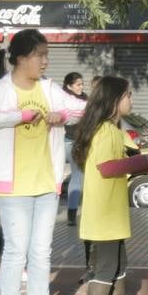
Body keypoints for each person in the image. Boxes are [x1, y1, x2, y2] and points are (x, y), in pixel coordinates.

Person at [0, 29, 86, 295]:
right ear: (21, 58)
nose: (45, 61)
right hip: (13, 187)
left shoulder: (49, 88)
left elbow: (81, 110)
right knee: (16, 252)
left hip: (47, 183)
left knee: (41, 253)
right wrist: (18, 116)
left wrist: (61, 115)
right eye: (40, 55)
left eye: (46, 54)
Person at [72, 76, 148, 295]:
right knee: (106, 268)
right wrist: (143, 161)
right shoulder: (105, 131)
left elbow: (115, 165)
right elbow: (107, 167)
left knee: (119, 266)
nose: (132, 100)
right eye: (129, 95)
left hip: (111, 213)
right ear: (113, 101)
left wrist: (142, 165)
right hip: (103, 215)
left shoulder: (111, 130)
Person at [61, 72, 88, 226]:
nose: (81, 87)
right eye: (78, 84)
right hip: (64, 141)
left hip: (76, 143)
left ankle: (72, 213)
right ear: (69, 85)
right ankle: (70, 213)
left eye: (82, 84)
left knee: (77, 176)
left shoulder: (84, 98)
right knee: (72, 177)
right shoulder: (63, 99)